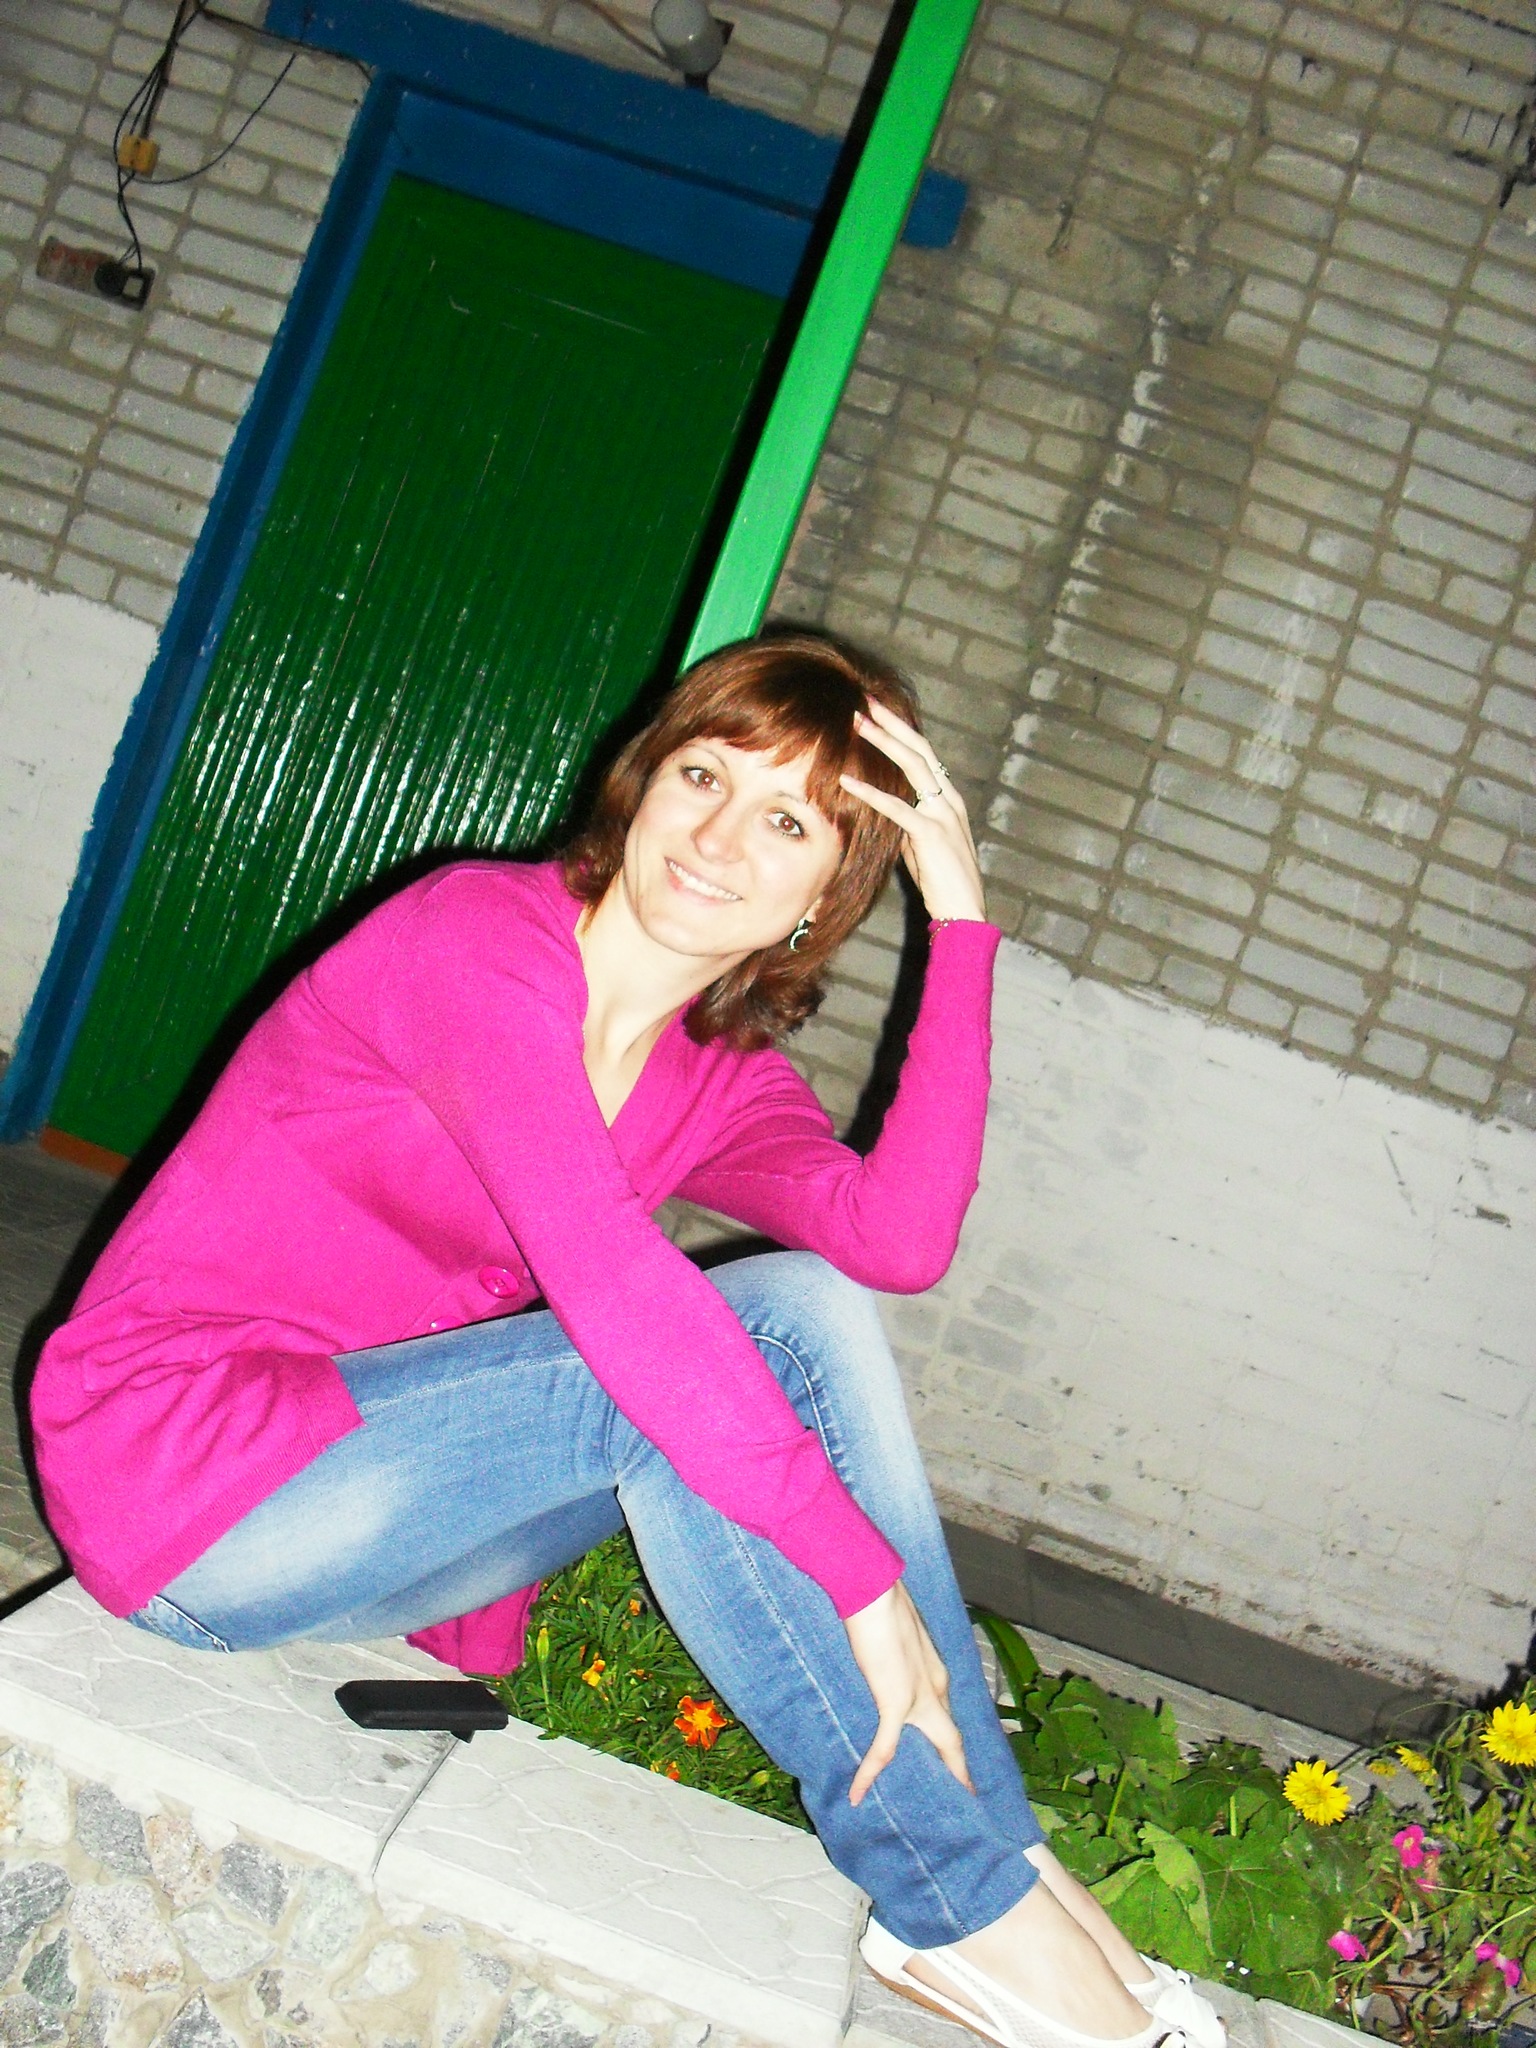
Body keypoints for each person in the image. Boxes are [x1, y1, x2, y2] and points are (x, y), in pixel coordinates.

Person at [32, 633, 1220, 2048]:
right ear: (643, 778)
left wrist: (958, 927)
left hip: (379, 1540)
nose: (719, 837)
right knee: (718, 1347)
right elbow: (612, 1285)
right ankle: (963, 1905)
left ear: (824, 899)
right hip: (185, 1481)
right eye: (704, 775)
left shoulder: (715, 1078)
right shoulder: (474, 943)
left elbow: (897, 1243)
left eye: (787, 823)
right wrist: (864, 1586)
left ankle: (991, 1857)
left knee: (806, 1311)